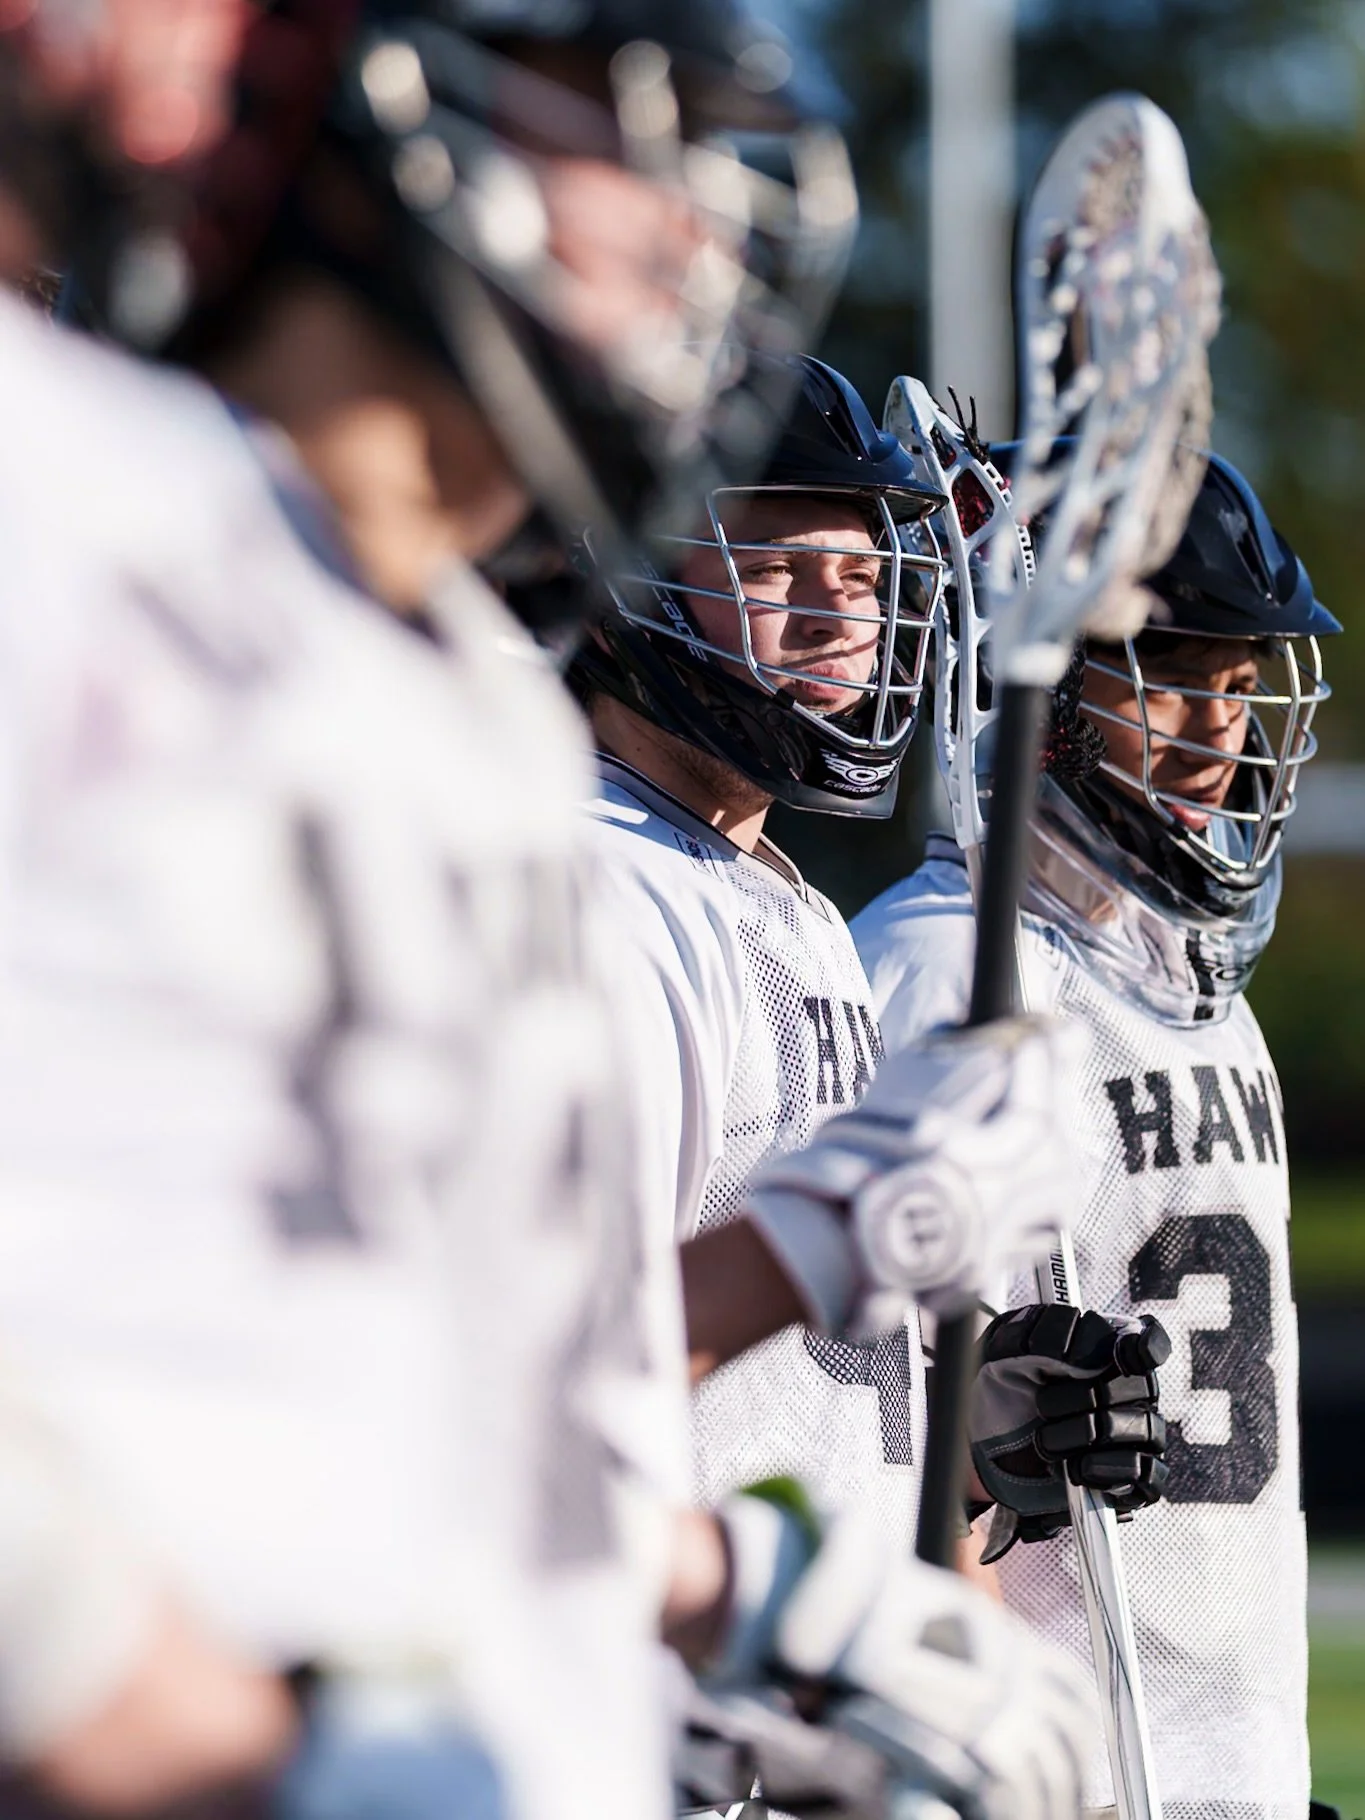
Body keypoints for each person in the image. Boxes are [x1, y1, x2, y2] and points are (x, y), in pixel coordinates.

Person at [0, 2, 856, 1814]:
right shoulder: (55, 516)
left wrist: (749, 1586)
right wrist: (201, 1728)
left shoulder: (484, 716)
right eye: (624, 124)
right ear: (375, 83)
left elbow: (473, 1430)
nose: (701, 230)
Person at [572, 355, 1160, 1818]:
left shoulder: (784, 905)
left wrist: (959, 1468)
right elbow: (557, 1374)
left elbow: (805, 1409)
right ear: (625, 564)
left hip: (822, 1733)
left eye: (865, 570)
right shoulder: (594, 899)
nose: (842, 613)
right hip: (674, 1737)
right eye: (777, 564)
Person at [854, 450, 1340, 1820]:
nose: (1216, 733)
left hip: (1229, 1768)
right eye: (1170, 677)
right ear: (1045, 687)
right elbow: (846, 1430)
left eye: (1242, 685)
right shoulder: (943, 972)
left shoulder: (1199, 998)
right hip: (1049, 1770)